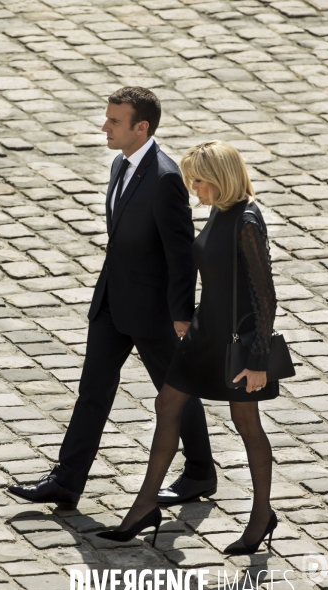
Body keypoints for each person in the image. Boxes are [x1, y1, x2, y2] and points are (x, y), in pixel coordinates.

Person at [8, 87, 216, 509]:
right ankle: (67, 481)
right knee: (93, 390)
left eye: (114, 121)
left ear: (142, 127)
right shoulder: (122, 164)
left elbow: (181, 254)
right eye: (107, 118)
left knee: (174, 391)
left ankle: (199, 472)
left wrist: (181, 314)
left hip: (153, 311)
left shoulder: (165, 179)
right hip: (111, 303)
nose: (105, 126)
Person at [97, 140, 279, 555]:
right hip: (203, 334)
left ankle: (260, 516)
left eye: (199, 181)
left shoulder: (246, 220)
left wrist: (257, 360)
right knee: (167, 405)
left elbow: (264, 296)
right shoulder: (220, 210)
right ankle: (144, 506)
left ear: (220, 179)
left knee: (247, 425)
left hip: (236, 342)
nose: (193, 189)